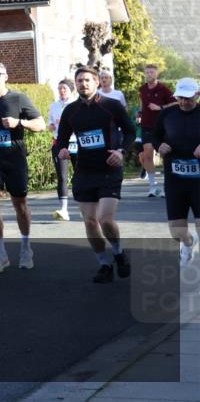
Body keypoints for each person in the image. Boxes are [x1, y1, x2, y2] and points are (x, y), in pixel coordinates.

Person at [56, 66, 136, 284]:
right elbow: (60, 140)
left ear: (96, 82)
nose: (84, 84)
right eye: (80, 80)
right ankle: (104, 264)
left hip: (109, 169)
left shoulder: (111, 106)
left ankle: (119, 253)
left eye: (88, 80)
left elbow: (130, 131)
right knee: (91, 222)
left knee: (105, 219)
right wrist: (61, 150)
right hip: (84, 172)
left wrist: (121, 152)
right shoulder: (71, 111)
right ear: (76, 84)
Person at [0, 63, 45, 272]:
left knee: (20, 204)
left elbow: (41, 124)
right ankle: (0, 253)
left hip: (14, 159)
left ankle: (26, 248)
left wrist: (20, 123)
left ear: (5, 76)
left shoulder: (19, 98)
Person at [153, 77, 200, 268]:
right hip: (175, 180)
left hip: (199, 180)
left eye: (188, 98)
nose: (183, 102)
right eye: (180, 97)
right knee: (177, 233)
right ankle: (188, 244)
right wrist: (159, 145)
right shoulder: (167, 114)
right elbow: (154, 136)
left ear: (197, 95)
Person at [139, 64, 176, 197]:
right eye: (147, 72)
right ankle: (153, 187)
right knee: (147, 155)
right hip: (146, 126)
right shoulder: (142, 89)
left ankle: (167, 186)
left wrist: (160, 107)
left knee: (164, 155)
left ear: (157, 74)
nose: (149, 74)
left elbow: (176, 103)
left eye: (152, 72)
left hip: (162, 127)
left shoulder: (163, 88)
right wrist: (139, 113)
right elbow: (142, 103)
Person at [48, 78, 78, 221]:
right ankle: (64, 209)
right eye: (59, 88)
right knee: (62, 176)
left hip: (76, 142)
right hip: (59, 143)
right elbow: (50, 124)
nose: (61, 91)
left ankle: (84, 205)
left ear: (71, 90)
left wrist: (67, 122)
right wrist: (52, 126)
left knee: (81, 174)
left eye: (64, 88)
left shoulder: (76, 105)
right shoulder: (54, 106)